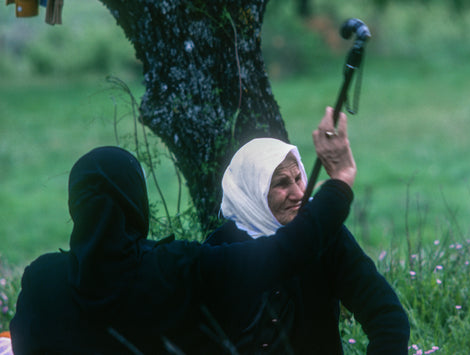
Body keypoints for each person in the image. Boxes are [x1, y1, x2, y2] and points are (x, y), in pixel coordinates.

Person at [9, 110, 356, 354]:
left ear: (75, 204)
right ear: (136, 202)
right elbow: (283, 252)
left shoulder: (42, 278)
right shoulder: (174, 268)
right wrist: (338, 183)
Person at [204, 107, 410, 354]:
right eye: (282, 183)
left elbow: (387, 316)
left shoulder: (328, 238)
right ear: (252, 192)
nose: (299, 194)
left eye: (298, 178)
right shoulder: (221, 247)